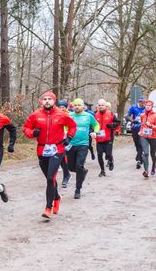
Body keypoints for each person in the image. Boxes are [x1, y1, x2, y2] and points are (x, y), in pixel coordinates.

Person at [23, 91, 76, 219]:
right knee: (49, 178)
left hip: (57, 149)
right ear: (41, 101)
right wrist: (32, 133)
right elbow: (26, 128)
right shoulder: (35, 115)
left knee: (50, 177)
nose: (47, 101)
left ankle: (48, 208)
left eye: (49, 99)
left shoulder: (61, 114)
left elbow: (73, 126)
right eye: (44, 99)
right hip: (42, 150)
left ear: (54, 101)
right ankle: (57, 197)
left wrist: (69, 137)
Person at [68, 98, 100, 199]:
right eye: (75, 105)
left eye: (79, 105)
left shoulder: (88, 116)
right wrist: (64, 132)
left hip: (83, 144)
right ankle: (83, 171)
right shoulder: (69, 115)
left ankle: (78, 189)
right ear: (73, 106)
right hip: (71, 144)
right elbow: (64, 125)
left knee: (79, 166)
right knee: (70, 167)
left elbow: (96, 124)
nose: (77, 107)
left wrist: (95, 132)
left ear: (83, 106)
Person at [94, 99, 120, 177]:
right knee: (99, 155)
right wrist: (92, 131)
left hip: (108, 138)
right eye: (99, 105)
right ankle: (102, 171)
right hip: (99, 139)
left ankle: (111, 161)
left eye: (102, 105)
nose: (101, 106)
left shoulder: (110, 114)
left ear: (105, 106)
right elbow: (92, 125)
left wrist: (112, 125)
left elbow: (118, 122)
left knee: (108, 154)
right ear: (97, 106)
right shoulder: (95, 115)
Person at [139, 100, 156, 178]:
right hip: (144, 136)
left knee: (152, 154)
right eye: (146, 105)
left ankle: (153, 166)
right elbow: (142, 125)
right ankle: (146, 171)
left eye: (149, 105)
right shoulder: (142, 115)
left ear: (152, 107)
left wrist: (150, 125)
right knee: (146, 153)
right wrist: (141, 131)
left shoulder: (155, 116)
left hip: (153, 137)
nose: (147, 106)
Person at [57, 100, 72, 187]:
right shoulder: (55, 114)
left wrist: (68, 136)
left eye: (63, 107)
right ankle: (66, 174)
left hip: (66, 138)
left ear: (66, 108)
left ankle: (66, 175)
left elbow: (73, 126)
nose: (61, 109)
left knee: (63, 156)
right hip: (56, 138)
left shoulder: (69, 115)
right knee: (61, 157)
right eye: (60, 107)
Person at [127, 97, 146, 169]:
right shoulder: (133, 107)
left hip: (143, 129)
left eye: (143, 102)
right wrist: (132, 120)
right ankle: (140, 157)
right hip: (134, 128)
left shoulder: (146, 108)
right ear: (139, 102)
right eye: (141, 102)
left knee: (140, 144)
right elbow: (127, 116)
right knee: (137, 144)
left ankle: (138, 160)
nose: (142, 103)